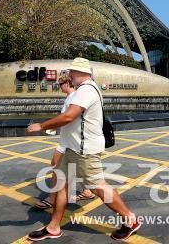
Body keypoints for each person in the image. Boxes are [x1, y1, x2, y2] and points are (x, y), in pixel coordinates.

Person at [26, 58, 141, 241]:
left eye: (71, 72)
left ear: (78, 72)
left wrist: (41, 126)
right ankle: (54, 227)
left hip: (84, 149)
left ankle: (130, 220)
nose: (69, 76)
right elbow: (72, 120)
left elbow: (69, 117)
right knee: (61, 185)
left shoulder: (86, 90)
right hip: (72, 149)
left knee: (98, 186)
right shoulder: (86, 89)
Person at [34, 72, 95, 210]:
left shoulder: (74, 96)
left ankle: (52, 199)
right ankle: (87, 191)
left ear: (67, 83)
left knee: (56, 167)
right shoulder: (70, 97)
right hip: (69, 139)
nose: (59, 87)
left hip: (70, 141)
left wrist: (45, 126)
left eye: (60, 84)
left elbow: (68, 117)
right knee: (76, 168)